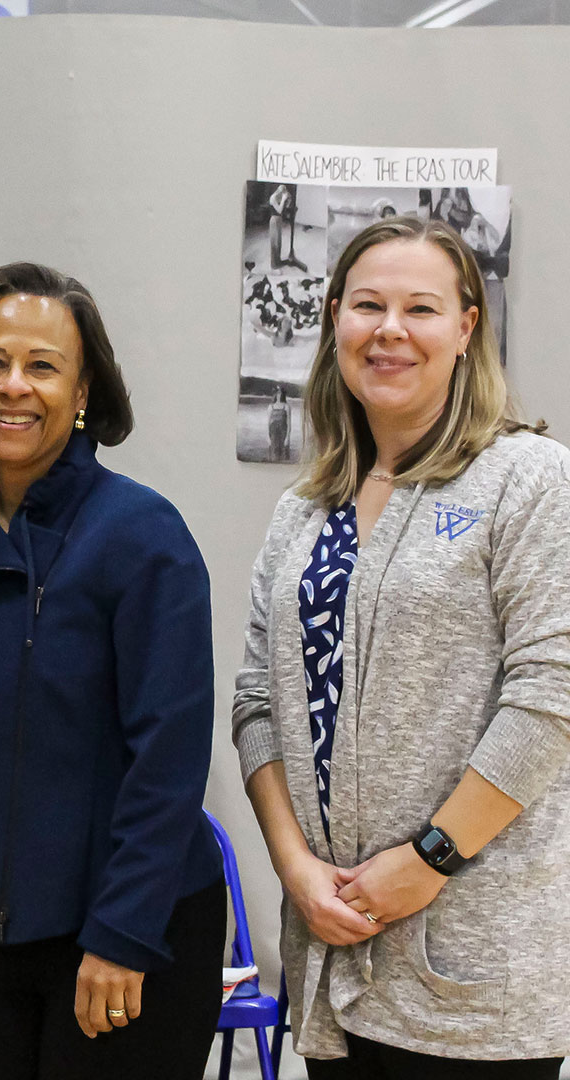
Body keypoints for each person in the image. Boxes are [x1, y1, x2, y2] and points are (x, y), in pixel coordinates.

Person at [234, 216, 570, 1078]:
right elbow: (257, 703)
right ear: (335, 323)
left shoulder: (527, 480)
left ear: (466, 329)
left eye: (420, 307)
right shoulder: (304, 512)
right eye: (367, 305)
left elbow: (550, 696)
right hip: (334, 956)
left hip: (472, 968)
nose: (390, 330)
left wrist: (430, 861)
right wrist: (295, 868)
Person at [0, 262, 224, 1080]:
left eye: (43, 366)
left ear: (84, 389)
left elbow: (169, 758)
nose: (12, 387)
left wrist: (123, 933)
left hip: (127, 933)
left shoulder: (142, 535)